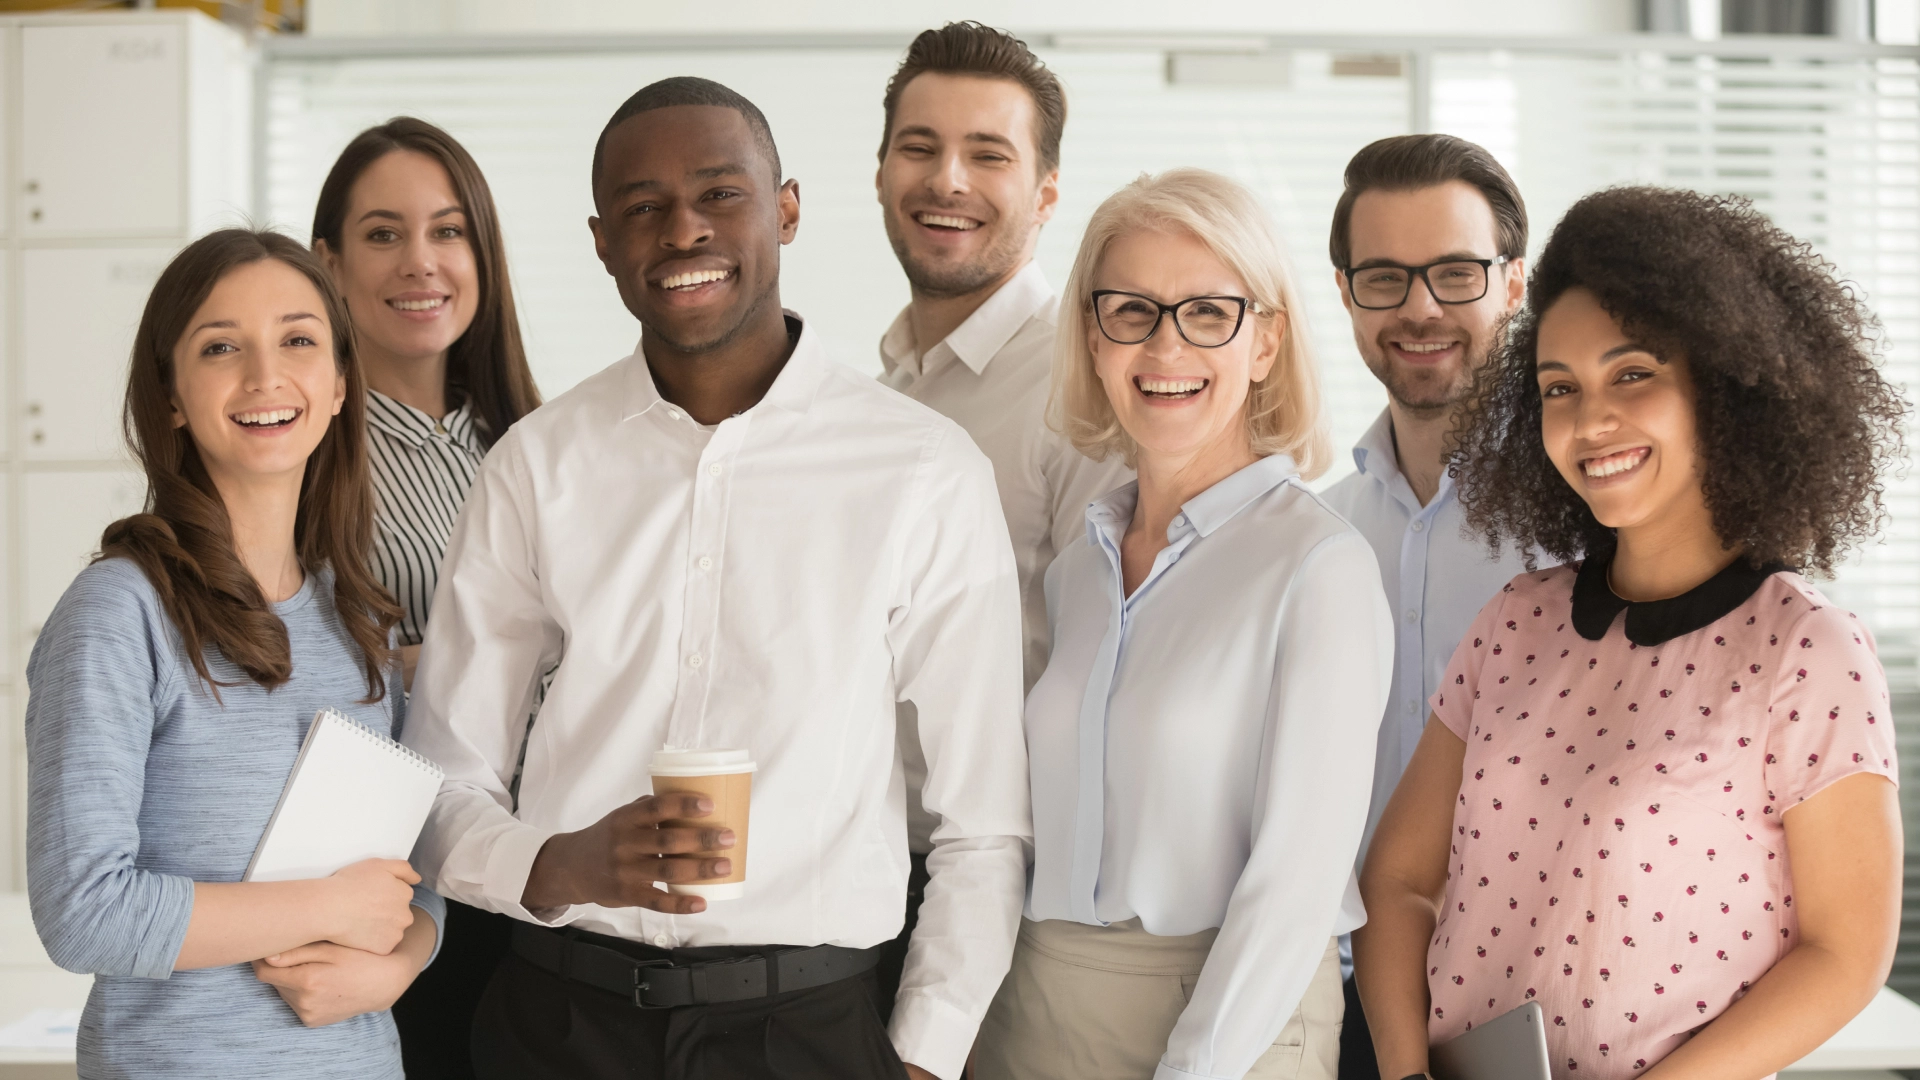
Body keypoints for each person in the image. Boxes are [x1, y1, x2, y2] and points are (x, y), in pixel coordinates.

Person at [401, 76, 1029, 1080]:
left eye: (718, 194)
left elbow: (984, 826)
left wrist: (922, 1053)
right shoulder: (535, 464)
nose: (681, 229)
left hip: (810, 1033)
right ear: (604, 242)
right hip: (556, 1026)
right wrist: (556, 863)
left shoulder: (923, 470)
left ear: (784, 208)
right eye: (643, 208)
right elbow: (445, 778)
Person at [1356, 187, 1905, 1080]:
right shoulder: (1515, 623)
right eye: (1559, 389)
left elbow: (1845, 953)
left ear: (1723, 386)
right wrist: (1408, 1072)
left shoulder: (1806, 652)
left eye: (1633, 374)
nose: (1588, 420)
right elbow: (1400, 880)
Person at [973, 168, 1392, 1080]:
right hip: (1035, 1007)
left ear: (1267, 341)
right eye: (1132, 310)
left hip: (1233, 1022)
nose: (1165, 347)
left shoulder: (1319, 568)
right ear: (1093, 335)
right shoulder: (1083, 563)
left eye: (1208, 312)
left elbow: (1297, 883)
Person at [25, 228, 446, 1079]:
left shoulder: (359, 619)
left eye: (297, 340)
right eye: (222, 347)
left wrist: (398, 964)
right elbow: (84, 912)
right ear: (172, 394)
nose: (264, 377)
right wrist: (322, 908)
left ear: (336, 387)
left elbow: (417, 872)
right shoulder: (120, 612)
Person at [871, 21, 1133, 1005]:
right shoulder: (887, 384)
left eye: (989, 154)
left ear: (1046, 193)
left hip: (1005, 900)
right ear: (883, 169)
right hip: (871, 882)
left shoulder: (1083, 390)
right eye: (919, 147)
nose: (948, 179)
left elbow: (1106, 686)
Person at [311, 115, 541, 1080]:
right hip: (387, 891)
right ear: (328, 263)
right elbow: (293, 669)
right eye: (382, 234)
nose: (422, 262)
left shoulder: (524, 442)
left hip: (533, 884)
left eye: (448, 231)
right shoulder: (307, 447)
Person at [1317, 133, 1541, 1080]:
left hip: (1530, 1007)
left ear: (1515, 284)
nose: (1418, 308)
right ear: (1343, 291)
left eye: (1455, 273)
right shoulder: (1313, 535)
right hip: (1331, 1008)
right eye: (1384, 277)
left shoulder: (1585, 533)